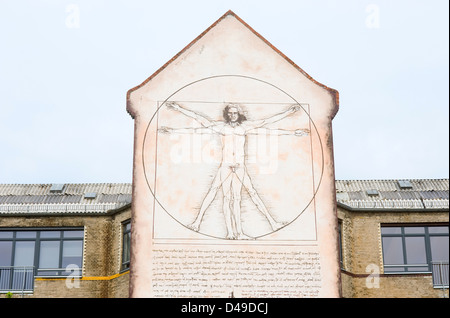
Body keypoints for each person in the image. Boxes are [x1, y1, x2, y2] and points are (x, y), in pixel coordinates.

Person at [159, 101, 308, 239]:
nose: (232, 115)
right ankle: (205, 225)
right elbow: (198, 123)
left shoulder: (245, 127)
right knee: (220, 195)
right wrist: (176, 118)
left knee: (243, 196)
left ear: (239, 114)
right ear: (227, 114)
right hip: (226, 166)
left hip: (239, 167)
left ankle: (262, 226)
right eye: (230, 113)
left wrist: (291, 124)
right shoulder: (221, 127)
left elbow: (267, 123)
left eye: (235, 113)